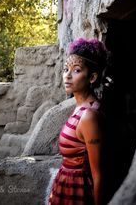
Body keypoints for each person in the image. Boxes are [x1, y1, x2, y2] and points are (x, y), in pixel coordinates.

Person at [48, 37, 109, 205]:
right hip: (66, 187)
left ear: (92, 77)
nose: (67, 76)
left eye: (76, 70)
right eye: (65, 69)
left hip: (79, 192)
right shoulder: (80, 107)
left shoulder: (89, 116)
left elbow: (98, 174)